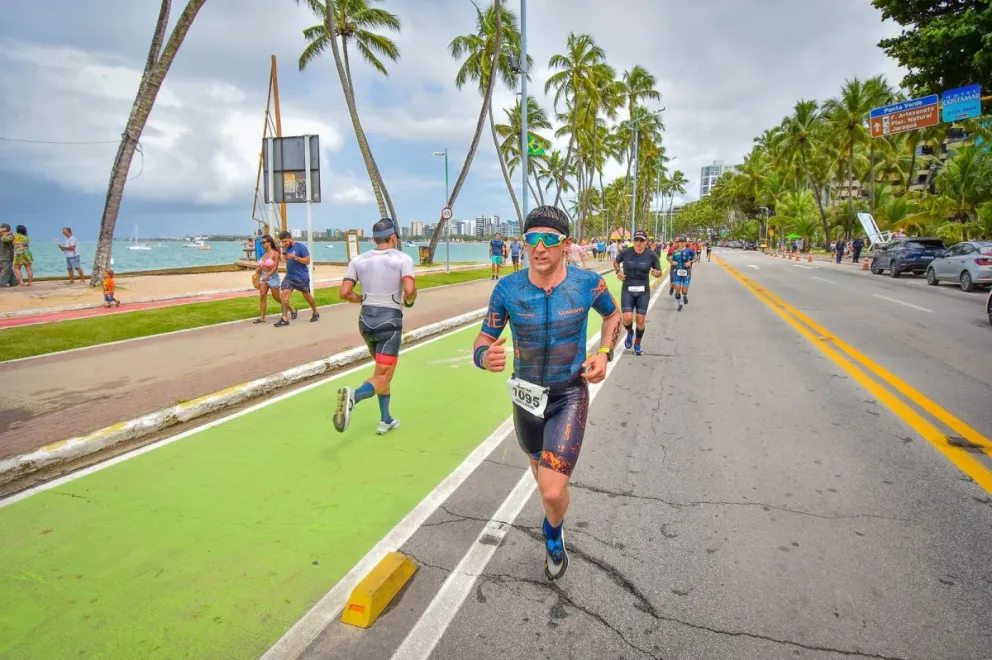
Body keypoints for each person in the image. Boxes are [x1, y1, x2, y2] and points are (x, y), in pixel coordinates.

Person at [473, 205, 622, 581]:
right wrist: (481, 356)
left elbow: (613, 315)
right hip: (525, 397)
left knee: (552, 492)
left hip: (568, 394)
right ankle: (551, 514)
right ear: (523, 244)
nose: (539, 248)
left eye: (549, 239)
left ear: (565, 244)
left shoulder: (587, 284)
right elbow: (484, 338)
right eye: (531, 240)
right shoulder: (508, 289)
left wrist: (605, 353)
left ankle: (553, 532)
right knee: (541, 475)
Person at [333, 218, 417, 435]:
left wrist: (360, 298)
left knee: (380, 373)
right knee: (384, 376)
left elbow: (343, 293)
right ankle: (355, 396)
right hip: (389, 322)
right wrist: (409, 301)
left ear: (373, 239)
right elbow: (409, 290)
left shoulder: (358, 260)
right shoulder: (403, 259)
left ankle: (386, 419)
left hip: (366, 322)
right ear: (393, 237)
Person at [614, 230, 664, 356]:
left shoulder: (651, 255)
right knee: (627, 318)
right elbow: (616, 262)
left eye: (642, 240)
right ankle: (630, 332)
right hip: (628, 290)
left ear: (646, 242)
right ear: (633, 241)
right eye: (636, 240)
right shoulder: (626, 252)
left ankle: (637, 343)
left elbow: (659, 271)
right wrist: (618, 272)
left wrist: (656, 273)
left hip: (643, 292)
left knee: (640, 320)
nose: (639, 243)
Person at [275, 231, 319, 327]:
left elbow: (307, 261)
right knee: (284, 295)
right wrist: (282, 255)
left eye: (285, 241)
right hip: (289, 276)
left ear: (290, 238)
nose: (284, 244)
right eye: (282, 242)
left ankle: (315, 312)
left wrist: (295, 257)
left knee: (307, 296)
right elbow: (283, 261)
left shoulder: (300, 247)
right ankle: (284, 319)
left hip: (301, 277)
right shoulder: (286, 248)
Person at [254, 234, 294, 324]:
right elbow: (261, 264)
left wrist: (268, 276)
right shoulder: (264, 253)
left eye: (263, 242)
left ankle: (291, 308)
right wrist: (258, 269)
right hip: (263, 276)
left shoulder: (275, 253)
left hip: (272, 277)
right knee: (262, 296)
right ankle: (262, 318)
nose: (262, 244)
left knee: (276, 298)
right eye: (261, 243)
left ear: (269, 242)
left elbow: (275, 268)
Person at [669, 237, 697, 312]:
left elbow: (695, 258)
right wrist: (672, 262)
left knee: (684, 291)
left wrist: (690, 262)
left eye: (683, 241)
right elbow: (671, 259)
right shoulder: (675, 252)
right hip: (677, 272)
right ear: (678, 243)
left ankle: (684, 296)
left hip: (686, 272)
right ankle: (680, 304)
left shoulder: (689, 251)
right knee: (677, 289)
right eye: (680, 241)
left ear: (685, 243)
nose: (681, 242)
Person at [0, 223, 16, 288]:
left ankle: (14, 282)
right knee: (6, 270)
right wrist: (10, 233)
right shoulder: (6, 236)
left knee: (9, 269)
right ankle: (2, 284)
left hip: (2, 256)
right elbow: (12, 238)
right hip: (6, 256)